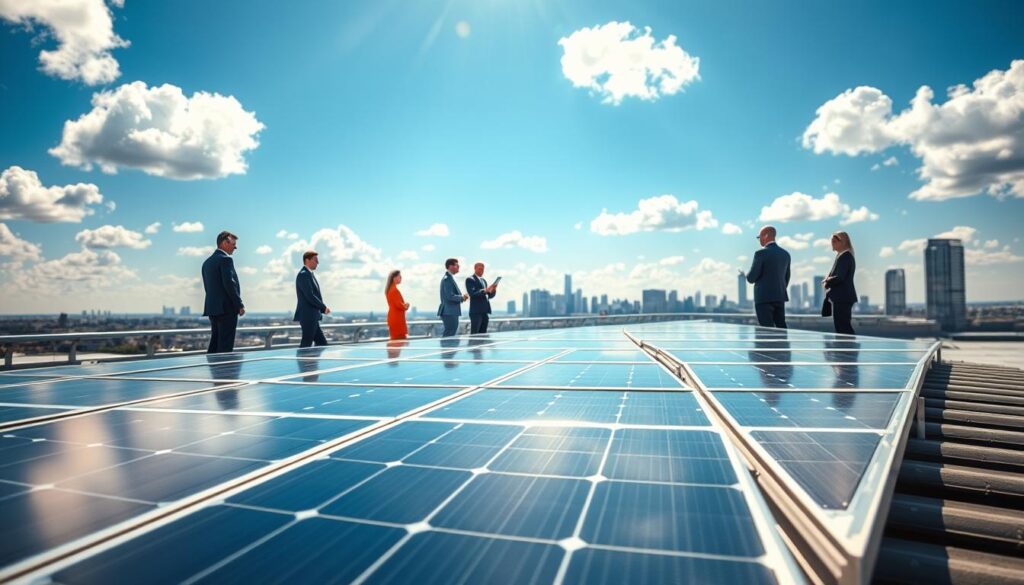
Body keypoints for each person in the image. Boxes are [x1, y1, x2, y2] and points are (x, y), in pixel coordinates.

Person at [202, 230, 245, 353]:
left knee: (215, 343)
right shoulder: (226, 260)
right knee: (225, 345)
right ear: (224, 243)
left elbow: (208, 287)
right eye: (233, 244)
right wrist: (239, 305)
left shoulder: (207, 263)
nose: (235, 248)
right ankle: (223, 367)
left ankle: (212, 365)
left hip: (213, 309)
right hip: (227, 309)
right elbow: (229, 284)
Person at [744, 225, 791, 329]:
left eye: (759, 237)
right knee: (781, 328)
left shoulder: (760, 253)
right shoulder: (785, 254)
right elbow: (786, 278)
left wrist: (746, 274)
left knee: (766, 330)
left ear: (765, 236)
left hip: (763, 299)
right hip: (780, 297)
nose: (759, 240)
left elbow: (751, 278)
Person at [822, 231, 858, 335]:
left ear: (843, 242)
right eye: (831, 241)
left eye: (834, 241)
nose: (832, 243)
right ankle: (846, 345)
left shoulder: (845, 256)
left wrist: (827, 281)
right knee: (842, 327)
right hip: (842, 298)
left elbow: (840, 277)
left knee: (843, 328)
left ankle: (848, 346)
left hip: (843, 298)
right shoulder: (842, 256)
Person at [294, 250, 330, 347]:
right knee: (306, 344)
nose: (318, 262)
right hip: (308, 317)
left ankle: (311, 358)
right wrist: (323, 307)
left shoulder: (309, 274)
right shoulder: (303, 274)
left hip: (312, 317)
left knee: (322, 344)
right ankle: (303, 358)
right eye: (315, 260)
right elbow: (310, 295)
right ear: (307, 260)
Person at [437, 258, 468, 337]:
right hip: (449, 311)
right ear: (450, 266)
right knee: (450, 333)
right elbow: (450, 296)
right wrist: (462, 297)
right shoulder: (447, 279)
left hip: (450, 311)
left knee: (450, 333)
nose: (459, 267)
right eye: (457, 265)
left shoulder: (449, 278)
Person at [465, 262, 497, 334]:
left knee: (483, 335)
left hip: (485, 312)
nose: (481, 271)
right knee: (475, 334)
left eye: (483, 269)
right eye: (479, 269)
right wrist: (484, 290)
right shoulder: (470, 279)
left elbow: (489, 296)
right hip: (476, 312)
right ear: (475, 268)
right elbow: (472, 294)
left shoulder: (483, 281)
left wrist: (493, 290)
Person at [385, 269, 410, 340]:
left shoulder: (390, 289)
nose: (401, 278)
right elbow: (399, 305)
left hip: (394, 317)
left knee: (396, 341)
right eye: (399, 276)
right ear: (394, 278)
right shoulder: (394, 290)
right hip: (397, 319)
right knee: (399, 341)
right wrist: (407, 305)